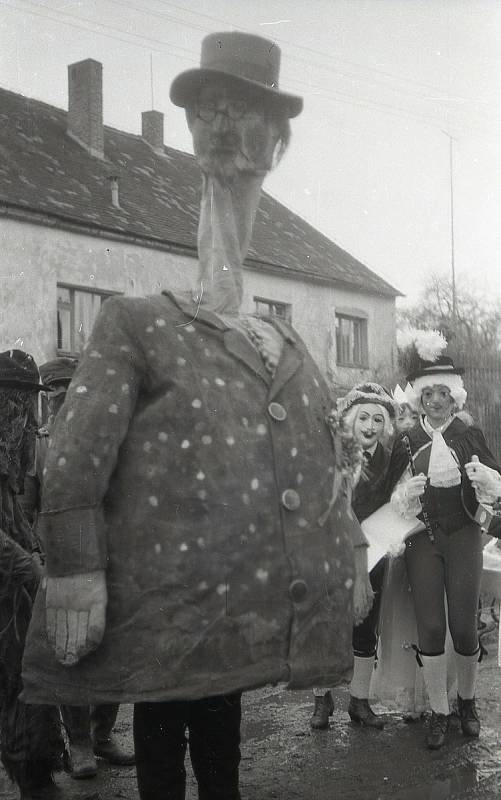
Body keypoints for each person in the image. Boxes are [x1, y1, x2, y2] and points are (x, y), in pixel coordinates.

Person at [22, 32, 368, 800]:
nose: (229, 132)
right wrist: (76, 572)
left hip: (232, 617)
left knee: (219, 737)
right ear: (194, 126)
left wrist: (344, 553)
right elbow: (73, 458)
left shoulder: (286, 342)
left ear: (277, 143)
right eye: (213, 112)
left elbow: (324, 465)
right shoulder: (135, 323)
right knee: (161, 729)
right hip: (164, 606)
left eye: (248, 117)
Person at [386, 346, 501, 749]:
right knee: (431, 626)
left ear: (455, 397)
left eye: (443, 394)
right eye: (428, 394)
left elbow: (495, 480)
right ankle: (439, 710)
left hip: (464, 533)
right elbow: (391, 495)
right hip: (423, 536)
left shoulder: (468, 434)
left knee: (465, 625)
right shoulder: (407, 439)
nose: (435, 402)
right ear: (419, 397)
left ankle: (466, 703)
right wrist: (406, 494)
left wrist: (483, 475)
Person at [38, 358, 135, 780]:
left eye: (70, 393)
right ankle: (78, 743)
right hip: (60, 564)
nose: (64, 403)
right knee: (70, 653)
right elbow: (26, 508)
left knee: (112, 649)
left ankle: (102, 735)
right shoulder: (37, 445)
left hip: (107, 560)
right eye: (55, 396)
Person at [310, 383, 396, 730]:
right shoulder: (332, 454)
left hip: (374, 553)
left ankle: (359, 701)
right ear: (350, 419)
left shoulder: (391, 460)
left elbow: (397, 502)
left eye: (378, 419)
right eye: (363, 417)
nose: (370, 426)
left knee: (365, 624)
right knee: (327, 624)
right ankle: (321, 699)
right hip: (332, 548)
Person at [0, 350, 65, 800]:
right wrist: (31, 568)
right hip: (10, 591)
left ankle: (35, 774)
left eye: (28, 401)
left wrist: (36, 551)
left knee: (27, 678)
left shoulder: (13, 447)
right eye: (18, 400)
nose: (24, 411)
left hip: (15, 595)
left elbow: (15, 518)